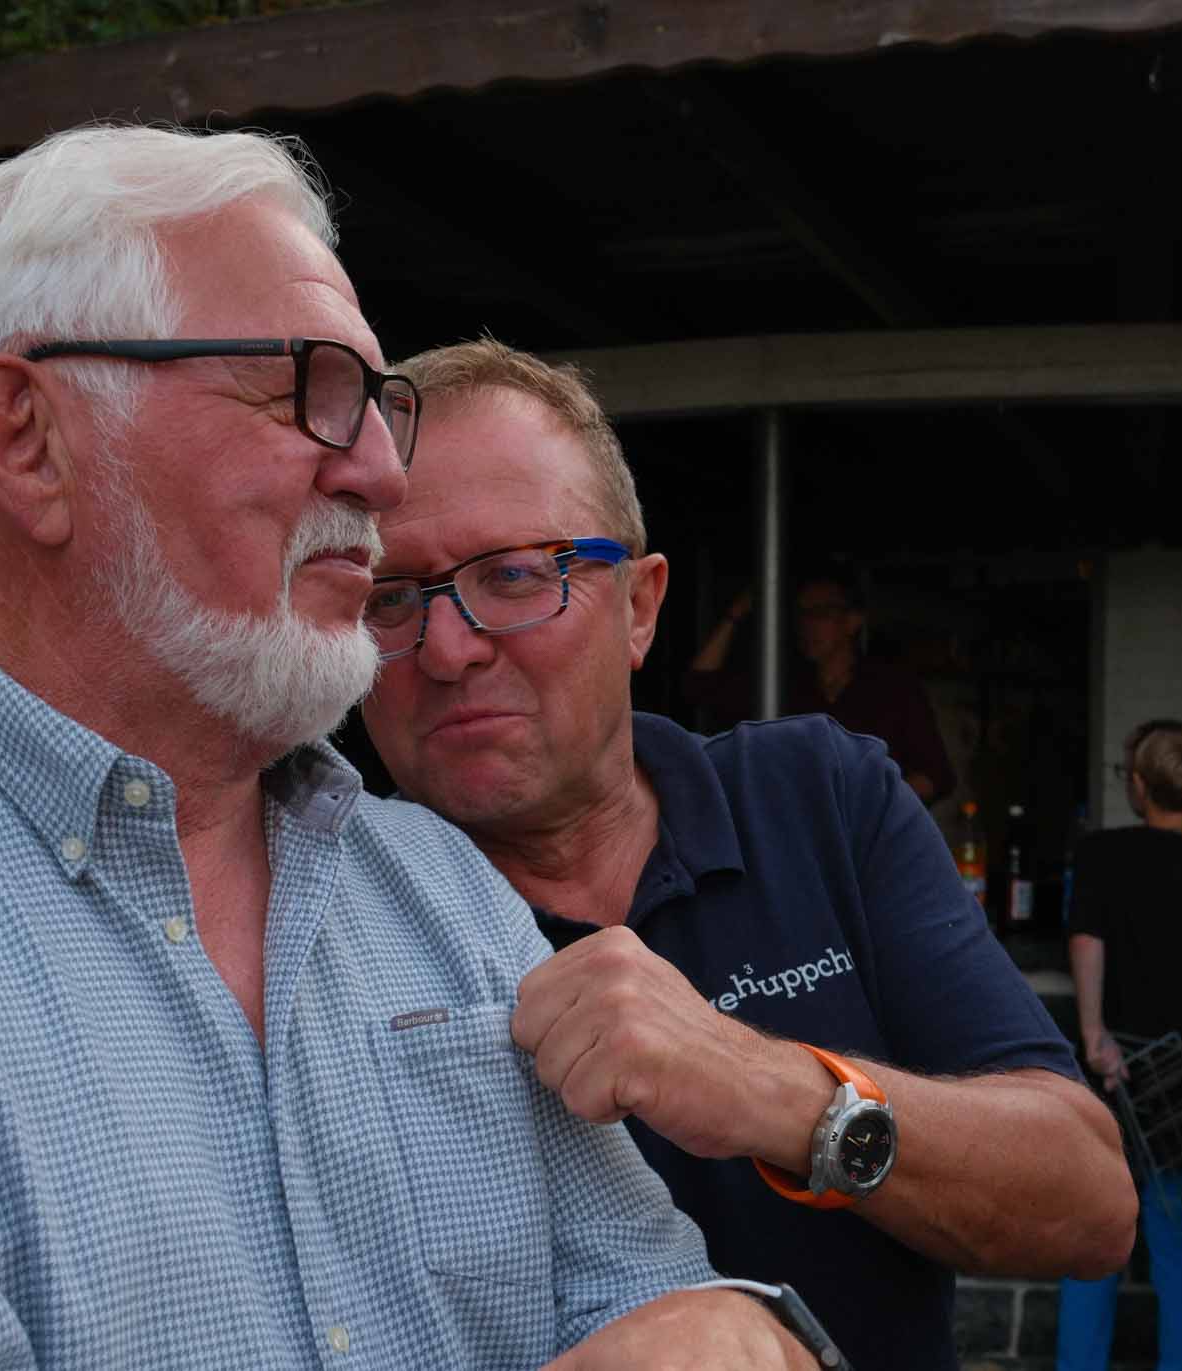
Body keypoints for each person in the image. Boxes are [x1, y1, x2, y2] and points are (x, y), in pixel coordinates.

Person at [0, 126, 819, 1370]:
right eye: (309, 390)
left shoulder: (438, 887)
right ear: (29, 442)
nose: (379, 471)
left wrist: (731, 1324)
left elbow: (650, 1298)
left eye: (377, 405)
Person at [356, 338, 1137, 1370]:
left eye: (512, 575)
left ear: (638, 607)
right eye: (391, 597)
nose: (449, 648)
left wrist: (770, 1091)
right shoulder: (320, 916)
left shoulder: (818, 797)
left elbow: (1088, 1205)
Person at [1058, 719, 1182, 1371]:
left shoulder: (1102, 854)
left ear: (1140, 785)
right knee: (1181, 1250)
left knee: (1093, 1245)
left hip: (1113, 1073)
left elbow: (1085, 939)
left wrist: (1094, 1036)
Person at [682, 567, 956, 805]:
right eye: (802, 614)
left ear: (852, 620)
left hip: (871, 841)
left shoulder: (892, 687)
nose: (808, 625)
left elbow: (936, 775)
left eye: (821, 613)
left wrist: (871, 805)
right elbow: (699, 686)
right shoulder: (786, 686)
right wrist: (736, 613)